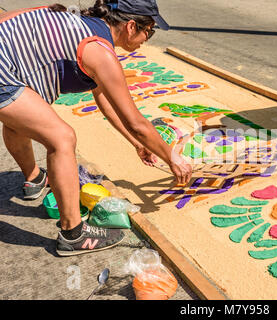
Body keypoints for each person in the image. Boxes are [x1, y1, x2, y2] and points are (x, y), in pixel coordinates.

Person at [0, 0, 193, 257]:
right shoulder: (101, 53)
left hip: (6, 62)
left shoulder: (88, 28)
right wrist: (172, 158)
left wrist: (138, 145)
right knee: (62, 138)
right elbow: (136, 123)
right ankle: (73, 235)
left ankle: (35, 179)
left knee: (19, 120)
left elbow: (107, 103)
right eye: (150, 30)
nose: (149, 37)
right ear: (131, 26)